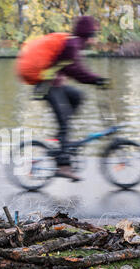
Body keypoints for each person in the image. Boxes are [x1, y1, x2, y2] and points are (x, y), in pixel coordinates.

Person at [16, 16, 109, 181]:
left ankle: (62, 138)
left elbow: (68, 68)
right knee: (65, 122)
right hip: (46, 86)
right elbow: (75, 71)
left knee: (78, 96)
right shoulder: (73, 44)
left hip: (51, 83)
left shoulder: (73, 44)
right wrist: (96, 79)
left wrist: (94, 80)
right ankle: (64, 166)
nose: (94, 39)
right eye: (94, 34)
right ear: (88, 34)